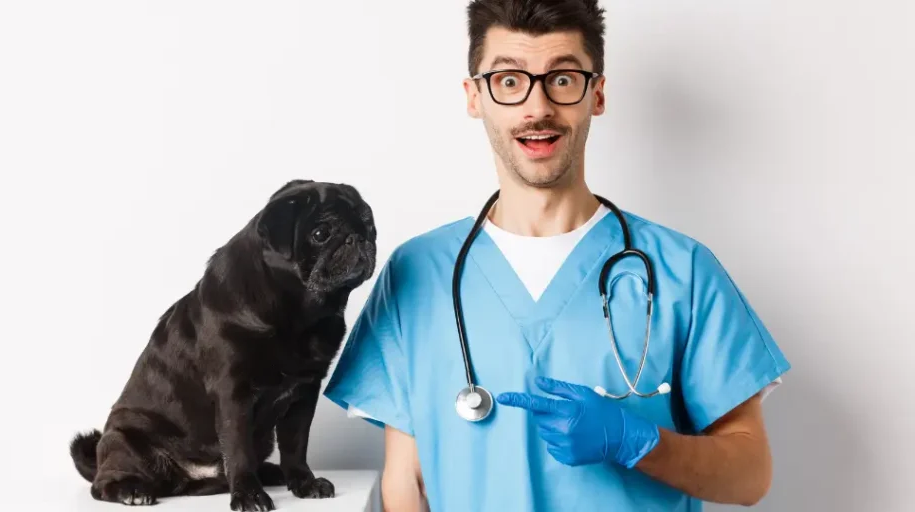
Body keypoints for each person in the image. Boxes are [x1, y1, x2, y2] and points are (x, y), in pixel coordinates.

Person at [323, 0, 792, 510]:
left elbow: (750, 477)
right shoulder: (417, 273)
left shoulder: (683, 271)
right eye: (508, 81)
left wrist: (638, 442)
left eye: (563, 79)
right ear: (474, 96)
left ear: (598, 93)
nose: (537, 107)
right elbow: (405, 482)